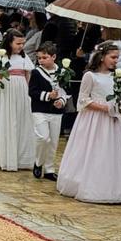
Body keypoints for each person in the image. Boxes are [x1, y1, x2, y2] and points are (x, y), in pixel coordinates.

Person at [56, 41, 121, 203]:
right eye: (113, 57)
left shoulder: (117, 77)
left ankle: (115, 186)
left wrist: (119, 106)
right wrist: (105, 108)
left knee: (111, 152)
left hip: (113, 121)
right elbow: (83, 100)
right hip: (92, 121)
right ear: (102, 57)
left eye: (118, 58)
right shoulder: (90, 76)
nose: (116, 61)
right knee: (93, 151)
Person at [0, 30, 36, 171]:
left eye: (23, 43)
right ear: (9, 42)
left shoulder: (24, 57)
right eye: (18, 43)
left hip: (20, 94)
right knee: (2, 121)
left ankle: (20, 158)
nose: (21, 46)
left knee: (19, 122)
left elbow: (28, 76)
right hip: (3, 93)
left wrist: (28, 94)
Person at [28, 42, 68, 181]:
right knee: (43, 137)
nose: (41, 60)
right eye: (39, 58)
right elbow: (32, 92)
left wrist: (61, 101)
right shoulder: (36, 72)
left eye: (45, 57)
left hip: (56, 112)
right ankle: (38, 162)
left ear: (54, 57)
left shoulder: (62, 72)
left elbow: (65, 91)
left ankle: (50, 169)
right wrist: (47, 96)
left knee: (53, 141)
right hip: (39, 110)